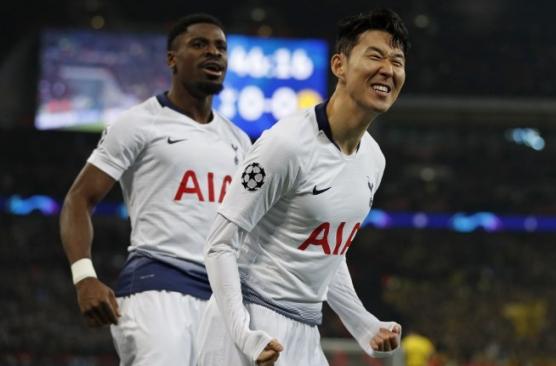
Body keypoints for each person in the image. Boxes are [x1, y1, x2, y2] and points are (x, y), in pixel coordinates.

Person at [196, 8, 409, 366]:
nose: (388, 69)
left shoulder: (374, 160)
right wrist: (244, 334)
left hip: (306, 331)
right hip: (248, 323)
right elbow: (218, 245)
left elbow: (327, 252)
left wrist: (362, 323)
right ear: (339, 65)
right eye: (375, 55)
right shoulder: (287, 144)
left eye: (397, 61)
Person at [59, 13, 251, 366]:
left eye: (220, 48)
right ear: (171, 59)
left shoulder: (239, 140)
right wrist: (84, 277)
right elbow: (78, 199)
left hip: (222, 300)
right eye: (199, 44)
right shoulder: (138, 123)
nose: (213, 53)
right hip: (158, 285)